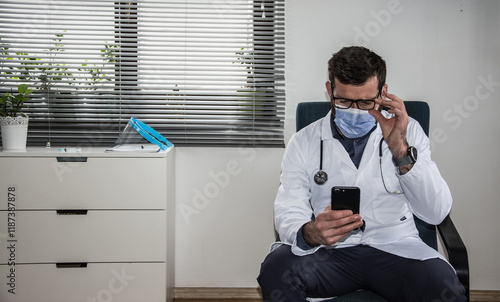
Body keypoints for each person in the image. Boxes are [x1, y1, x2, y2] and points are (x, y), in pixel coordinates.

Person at [257, 46, 466, 302]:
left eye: (366, 102)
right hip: (329, 253)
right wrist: (310, 232)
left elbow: (436, 212)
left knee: (443, 286)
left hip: (395, 249)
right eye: (344, 101)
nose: (355, 111)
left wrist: (400, 150)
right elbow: (289, 206)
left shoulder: (409, 132)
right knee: (276, 269)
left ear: (383, 92)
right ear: (329, 90)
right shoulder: (304, 141)